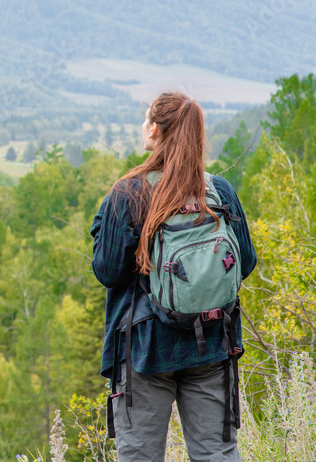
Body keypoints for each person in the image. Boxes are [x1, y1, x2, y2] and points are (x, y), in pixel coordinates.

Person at [90, 92, 257, 462]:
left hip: (144, 348)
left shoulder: (129, 193)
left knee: (141, 457)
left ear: (153, 128)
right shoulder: (218, 191)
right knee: (217, 453)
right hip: (212, 341)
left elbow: (107, 272)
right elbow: (246, 262)